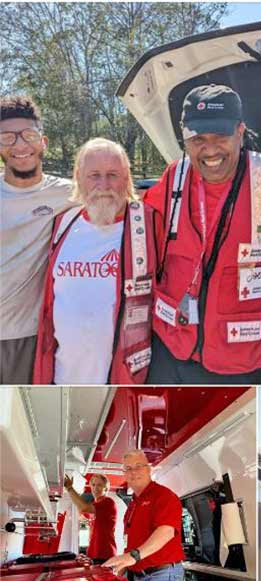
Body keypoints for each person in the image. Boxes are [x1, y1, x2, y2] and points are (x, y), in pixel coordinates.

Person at [143, 84, 261, 384]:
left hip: (240, 362)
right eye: (198, 139)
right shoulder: (174, 176)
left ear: (240, 131)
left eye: (220, 137)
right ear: (185, 139)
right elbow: (134, 225)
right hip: (169, 351)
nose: (210, 150)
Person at [33, 138, 155, 384]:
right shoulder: (63, 223)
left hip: (124, 377)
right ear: (78, 177)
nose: (104, 185)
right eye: (94, 175)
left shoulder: (149, 224)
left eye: (112, 174)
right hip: (61, 375)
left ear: (127, 177)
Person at [1, 95, 76, 384]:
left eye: (28, 135)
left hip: (26, 337)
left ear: (43, 141)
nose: (20, 145)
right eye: (8, 137)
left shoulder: (69, 194)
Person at [102, 450, 185, 581]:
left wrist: (133, 557)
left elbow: (166, 531)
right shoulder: (132, 505)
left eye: (138, 466)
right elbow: (130, 543)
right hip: (138, 577)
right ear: (124, 474)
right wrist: (121, 568)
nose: (133, 472)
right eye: (128, 469)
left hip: (162, 576)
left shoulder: (164, 496)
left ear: (148, 469)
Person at [63, 473, 117, 564]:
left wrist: (70, 488)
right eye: (93, 485)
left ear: (106, 488)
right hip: (94, 554)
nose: (95, 488)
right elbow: (82, 511)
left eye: (99, 485)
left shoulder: (108, 502)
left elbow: (84, 508)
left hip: (105, 554)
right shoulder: (95, 506)